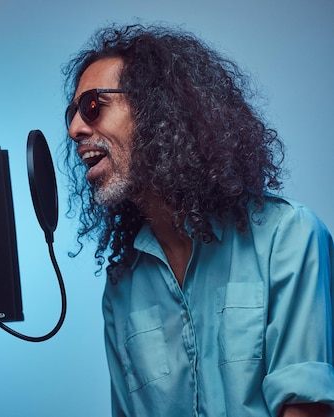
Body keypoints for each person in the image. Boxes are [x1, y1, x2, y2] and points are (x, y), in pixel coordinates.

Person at [62, 23, 334, 417]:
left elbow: (305, 408)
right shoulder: (122, 286)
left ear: (157, 109)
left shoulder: (288, 237)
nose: (74, 130)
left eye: (92, 106)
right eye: (71, 114)